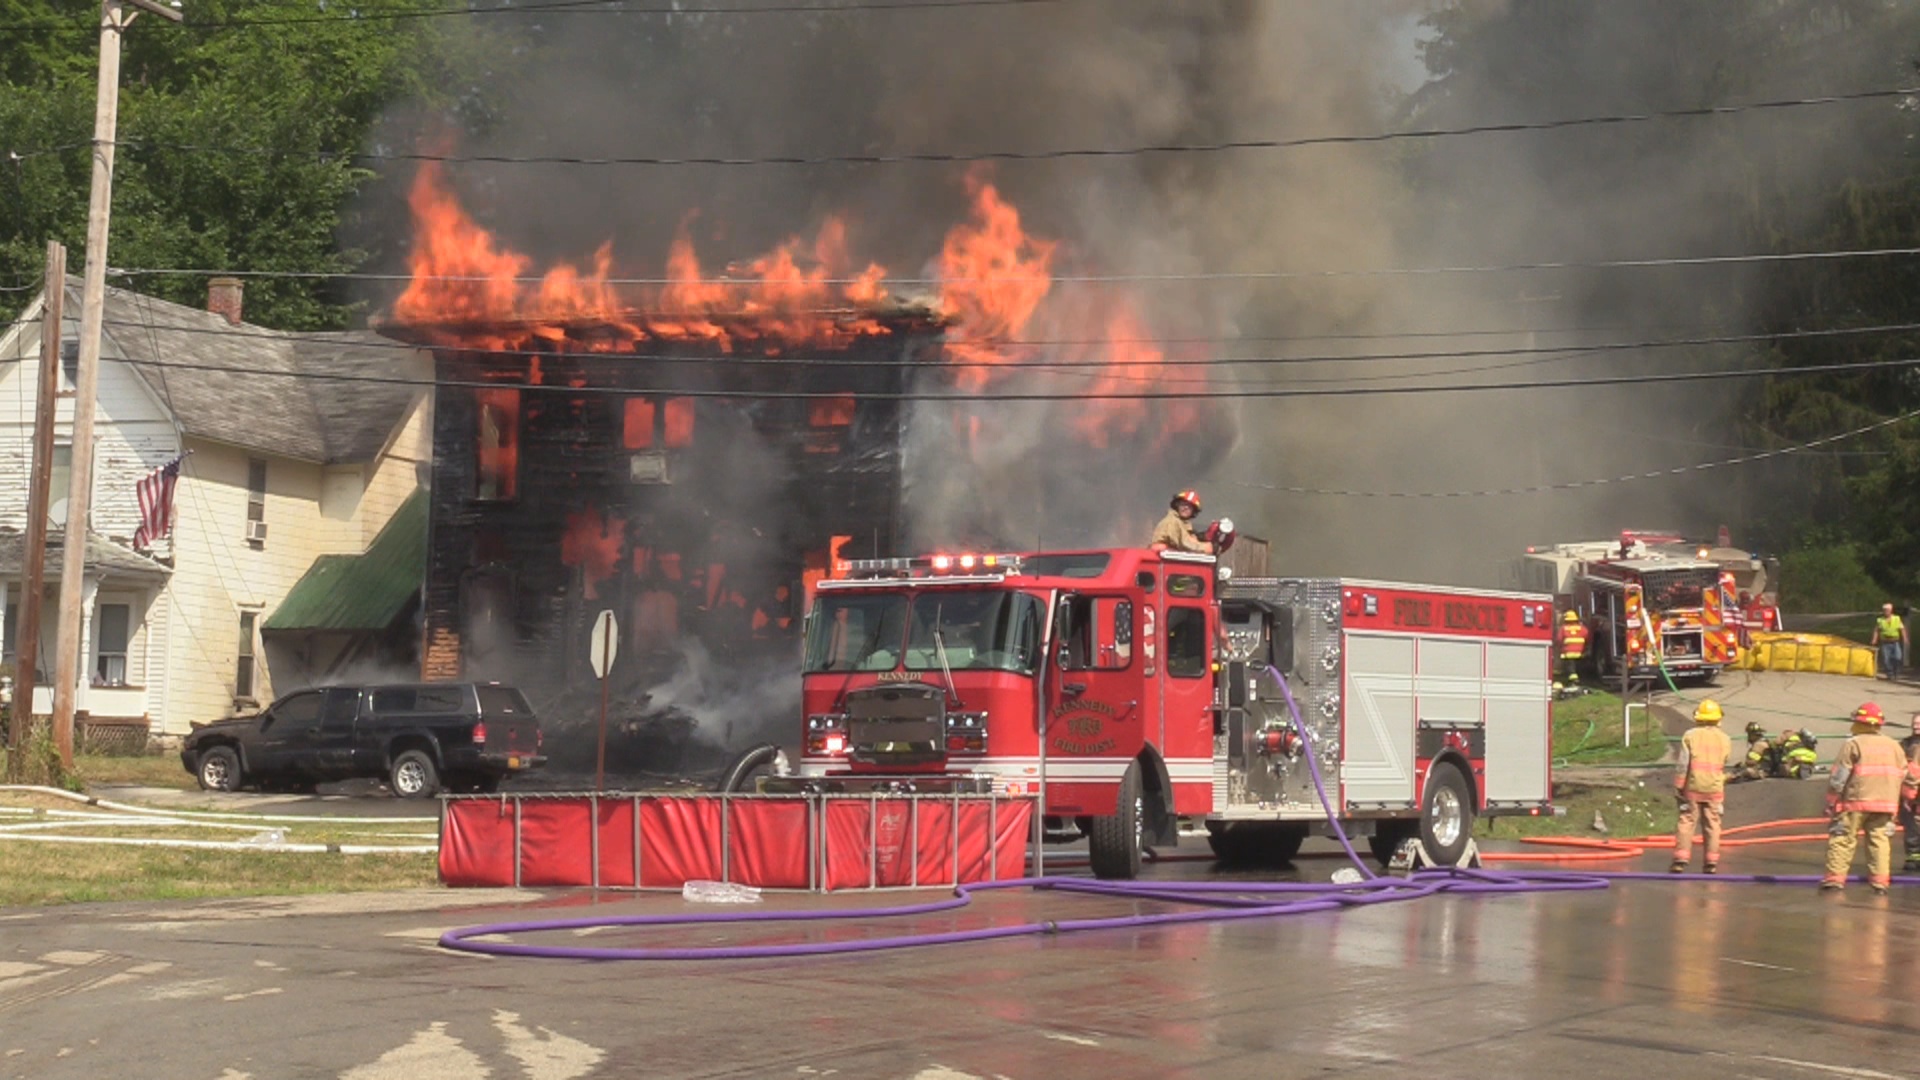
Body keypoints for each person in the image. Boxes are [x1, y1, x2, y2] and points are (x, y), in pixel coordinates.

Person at [1820, 702, 1907, 895]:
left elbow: (1839, 777)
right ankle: (1880, 883)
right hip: (1886, 805)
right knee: (1880, 842)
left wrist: (1830, 801)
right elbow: (1905, 775)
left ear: (1859, 722)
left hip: (1854, 802)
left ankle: (1834, 880)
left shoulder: (1853, 744)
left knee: (1842, 838)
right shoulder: (1895, 746)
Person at [1672, 699, 1732, 874]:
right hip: (1715, 787)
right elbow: (1725, 760)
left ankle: (1680, 860)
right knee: (1713, 824)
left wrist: (1678, 785)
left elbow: (1683, 763)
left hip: (1693, 786)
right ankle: (1711, 863)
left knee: (1687, 821)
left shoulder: (1690, 735)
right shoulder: (1725, 738)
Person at [1150, 489, 1214, 554]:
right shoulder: (1172, 521)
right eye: (1183, 504)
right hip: (1163, 560)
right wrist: (1205, 547)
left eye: (1189, 506)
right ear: (1177, 505)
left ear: (1193, 511)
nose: (1186, 507)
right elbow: (1184, 543)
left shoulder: (1183, 523)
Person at [1870, 603, 1908, 681]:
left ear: (1891, 611)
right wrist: (1874, 639)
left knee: (1898, 657)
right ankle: (1890, 674)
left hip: (1895, 641)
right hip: (1885, 642)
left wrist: (1905, 638)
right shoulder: (1880, 620)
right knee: (1886, 659)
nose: (1886, 612)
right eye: (1884, 610)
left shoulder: (1896, 619)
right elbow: (1876, 630)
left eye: (1887, 610)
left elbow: (1902, 629)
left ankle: (1896, 672)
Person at [1554, 610, 1589, 691]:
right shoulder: (1582, 628)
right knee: (1576, 668)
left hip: (1568, 654)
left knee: (1571, 669)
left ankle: (1573, 681)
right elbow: (1588, 637)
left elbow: (1559, 639)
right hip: (1580, 653)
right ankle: (1577, 680)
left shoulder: (1563, 628)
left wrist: (1560, 648)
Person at [1903, 714, 1920, 873]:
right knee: (1911, 824)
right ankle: (1913, 856)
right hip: (1912, 791)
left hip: (1914, 790)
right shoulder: (1906, 744)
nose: (1916, 726)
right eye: (1914, 723)